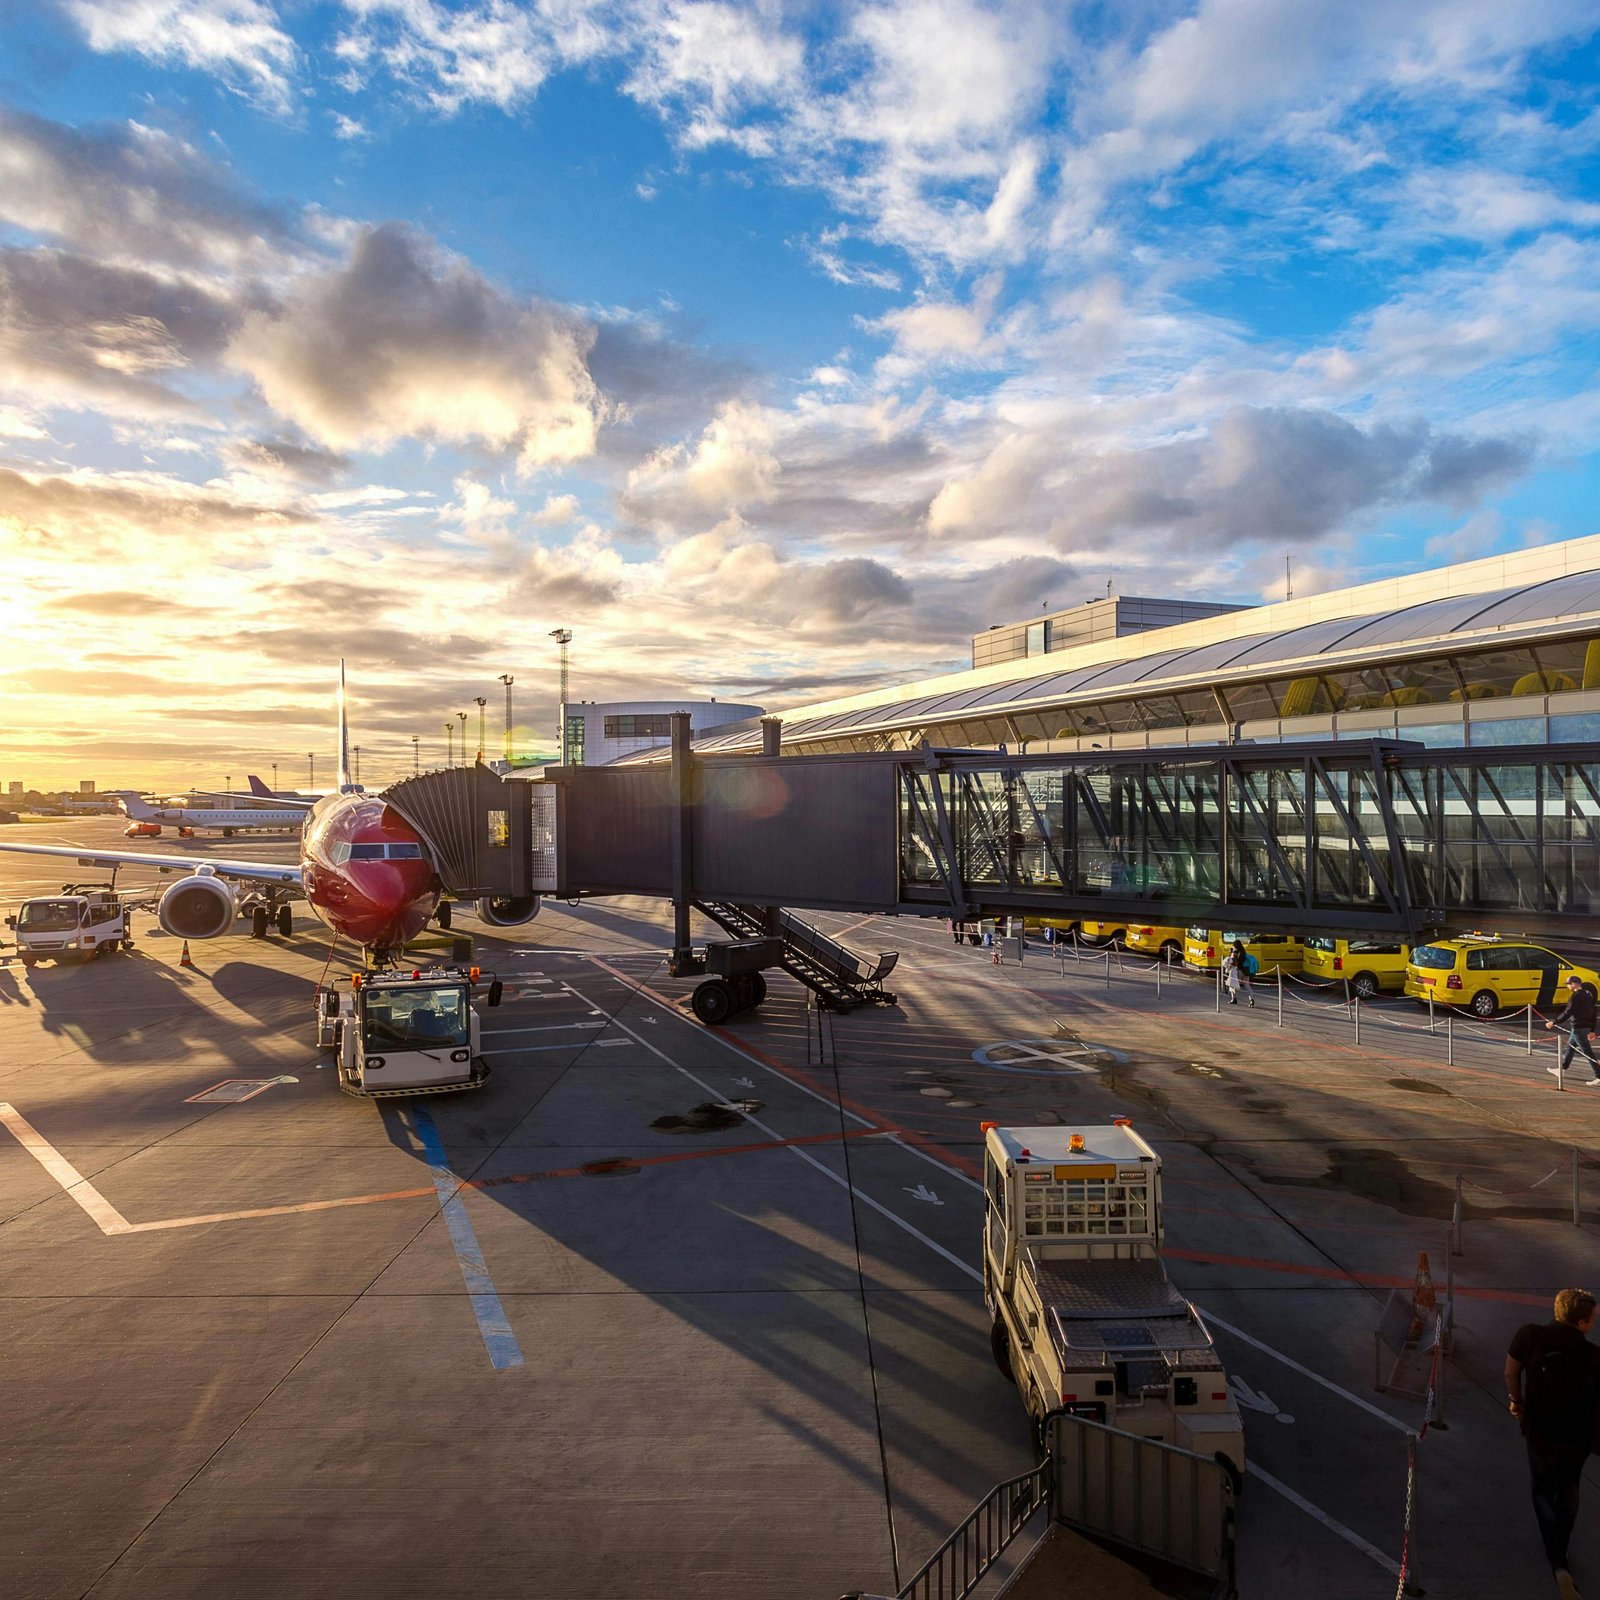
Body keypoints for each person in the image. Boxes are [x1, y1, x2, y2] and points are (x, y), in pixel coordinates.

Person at [1507, 1288, 1600, 1599]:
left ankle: (1558, 1563)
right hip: (1578, 1436)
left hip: (1540, 1430)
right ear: (1584, 1323)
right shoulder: (1594, 1355)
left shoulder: (1530, 1335)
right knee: (1570, 1487)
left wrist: (1517, 1401)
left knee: (1542, 1490)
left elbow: (1510, 1371)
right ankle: (1562, 1549)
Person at [1546, 976, 1600, 1086]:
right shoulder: (1588, 995)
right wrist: (1592, 1029)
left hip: (1578, 1027)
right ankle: (1562, 1069)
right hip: (1585, 1027)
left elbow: (1568, 1011)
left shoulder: (1575, 996)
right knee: (1570, 1048)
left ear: (1574, 984)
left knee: (1587, 1052)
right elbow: (1593, 1012)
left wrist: (1554, 1022)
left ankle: (1599, 1075)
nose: (1568, 986)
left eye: (1568, 984)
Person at [1225, 942, 1255, 1007]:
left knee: (1232, 984)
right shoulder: (1244, 952)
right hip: (1246, 971)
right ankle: (1251, 1000)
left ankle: (1234, 999)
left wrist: (1231, 953)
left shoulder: (1235, 952)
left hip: (1238, 971)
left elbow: (1233, 962)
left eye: (1233, 945)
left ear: (1235, 946)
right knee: (1247, 985)